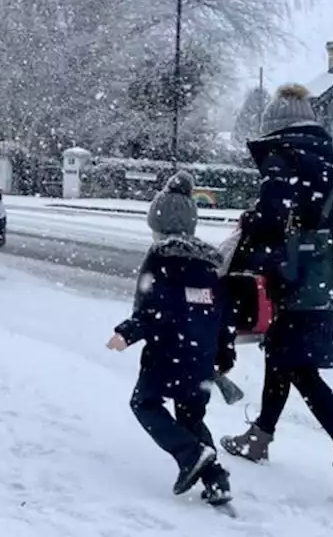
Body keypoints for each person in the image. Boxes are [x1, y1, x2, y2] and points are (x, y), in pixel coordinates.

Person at [218, 83, 333, 510]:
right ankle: (259, 437)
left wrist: (252, 227)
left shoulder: (281, 160)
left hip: (285, 281)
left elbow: (273, 220)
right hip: (320, 281)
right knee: (283, 358)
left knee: (300, 371)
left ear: (275, 127)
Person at [107, 171, 237, 506]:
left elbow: (154, 309)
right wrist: (223, 351)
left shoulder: (160, 257)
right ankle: (216, 478)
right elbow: (222, 313)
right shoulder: (209, 265)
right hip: (201, 357)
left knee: (144, 404)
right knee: (191, 417)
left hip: (168, 354)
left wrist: (126, 332)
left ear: (158, 225)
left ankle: (190, 454)